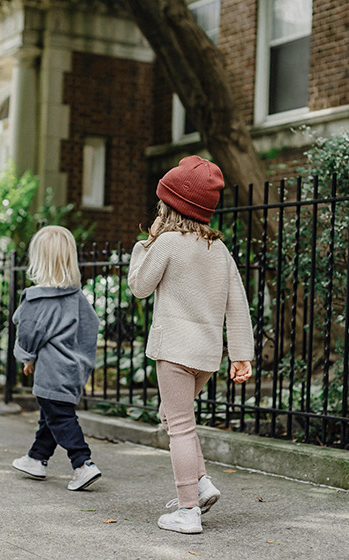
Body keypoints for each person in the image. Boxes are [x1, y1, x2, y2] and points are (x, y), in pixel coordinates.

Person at [128, 155, 255, 534]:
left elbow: (139, 287)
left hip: (174, 351)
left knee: (179, 426)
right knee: (173, 415)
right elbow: (238, 305)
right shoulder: (220, 251)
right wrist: (241, 355)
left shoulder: (166, 243)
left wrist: (142, 247)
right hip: (205, 355)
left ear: (170, 205)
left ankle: (187, 510)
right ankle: (201, 485)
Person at [11, 225, 102, 491]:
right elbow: (91, 326)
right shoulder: (76, 297)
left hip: (51, 370)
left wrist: (27, 357)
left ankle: (83, 463)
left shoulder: (36, 300)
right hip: (73, 369)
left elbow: (28, 332)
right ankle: (36, 458)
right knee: (51, 415)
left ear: (38, 259)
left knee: (60, 418)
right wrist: (82, 360)